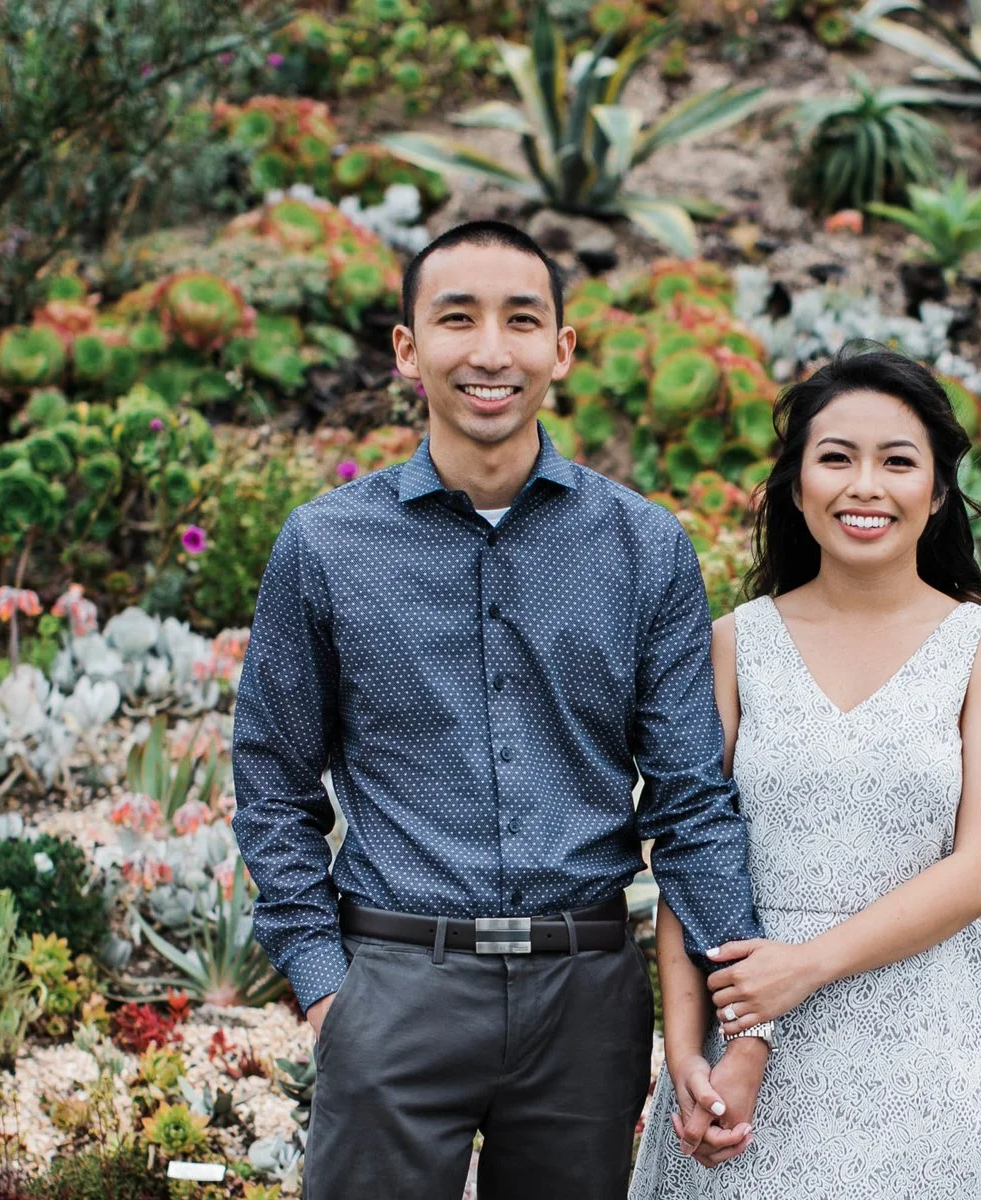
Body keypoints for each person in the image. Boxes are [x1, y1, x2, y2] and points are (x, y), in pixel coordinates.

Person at [230, 220, 774, 1200]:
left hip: (587, 999)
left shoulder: (645, 549)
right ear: (408, 349)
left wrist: (741, 1027)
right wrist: (322, 983)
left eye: (521, 320)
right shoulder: (325, 549)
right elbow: (271, 779)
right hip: (395, 984)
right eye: (456, 318)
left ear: (561, 349)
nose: (490, 350)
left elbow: (691, 802)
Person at [629, 344, 981, 1198]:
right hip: (742, 1051)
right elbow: (689, 853)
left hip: (932, 1048)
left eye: (898, 462)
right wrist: (684, 1049)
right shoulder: (732, 646)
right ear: (796, 485)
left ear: (936, 495)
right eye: (836, 458)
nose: (866, 485)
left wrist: (806, 966)